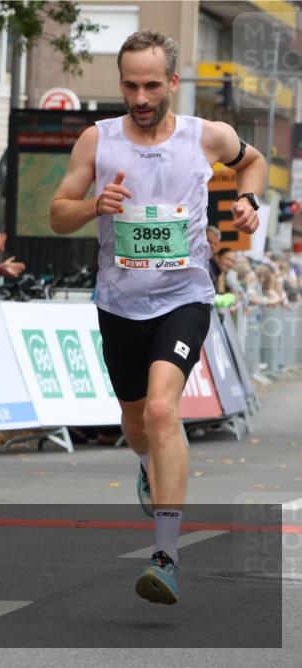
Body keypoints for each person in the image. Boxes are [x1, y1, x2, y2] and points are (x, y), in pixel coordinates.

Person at [49, 30, 265, 605]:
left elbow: (255, 163)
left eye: (151, 85)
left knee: (165, 408)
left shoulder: (206, 136)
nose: (140, 97)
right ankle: (147, 462)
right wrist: (94, 204)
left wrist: (248, 201)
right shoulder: (98, 140)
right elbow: (57, 214)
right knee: (137, 416)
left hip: (184, 297)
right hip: (119, 302)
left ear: (172, 82)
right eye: (129, 85)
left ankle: (165, 556)